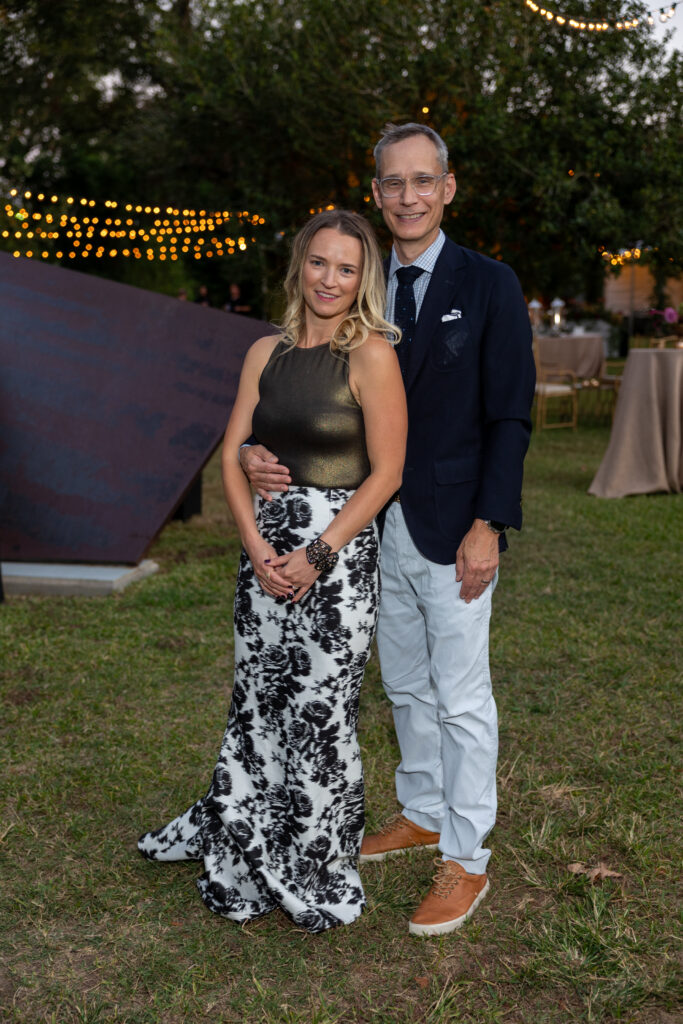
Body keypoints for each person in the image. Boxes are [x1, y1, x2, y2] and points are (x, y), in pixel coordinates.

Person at [240, 124, 536, 937]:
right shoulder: (353, 290)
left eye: (422, 181)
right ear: (375, 192)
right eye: (392, 183)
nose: (407, 196)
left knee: (460, 694)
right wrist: (258, 453)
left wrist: (489, 522)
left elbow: (510, 414)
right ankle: (423, 811)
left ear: (447, 188)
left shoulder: (489, 284)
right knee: (404, 684)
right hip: (363, 533)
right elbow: (304, 408)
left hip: (451, 527)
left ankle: (467, 858)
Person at [138, 210, 407, 934]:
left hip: (338, 562)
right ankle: (246, 843)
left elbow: (386, 475)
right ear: (299, 267)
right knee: (257, 702)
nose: (330, 279)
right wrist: (257, 548)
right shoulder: (263, 351)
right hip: (262, 553)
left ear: (362, 279)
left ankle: (314, 861)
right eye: (319, 263)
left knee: (320, 713)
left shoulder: (372, 355)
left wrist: (317, 555)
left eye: (346, 268)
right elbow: (232, 456)